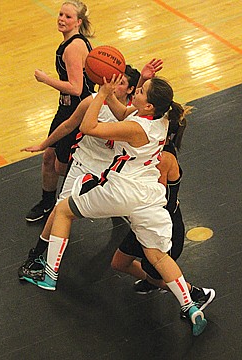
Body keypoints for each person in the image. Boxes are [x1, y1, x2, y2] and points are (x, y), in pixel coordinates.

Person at [20, 74, 208, 336]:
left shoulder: (137, 128)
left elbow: (88, 127)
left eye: (141, 91)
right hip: (148, 195)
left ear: (148, 106)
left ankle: (49, 275)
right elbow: (122, 113)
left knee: (63, 210)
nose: (137, 93)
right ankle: (191, 306)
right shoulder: (161, 118)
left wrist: (99, 96)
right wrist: (107, 92)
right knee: (157, 255)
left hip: (124, 189)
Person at [19, 64, 142, 277]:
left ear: (131, 90)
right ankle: (38, 255)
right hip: (84, 163)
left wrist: (146, 78)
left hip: (111, 170)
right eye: (114, 80)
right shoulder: (92, 101)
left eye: (121, 83)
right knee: (60, 209)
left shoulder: (133, 113)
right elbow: (69, 125)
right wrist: (43, 144)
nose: (114, 86)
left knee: (135, 207)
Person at [111, 131, 216, 316]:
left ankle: (196, 294)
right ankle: (153, 281)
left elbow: (154, 198)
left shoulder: (162, 158)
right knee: (119, 263)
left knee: (154, 270)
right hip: (145, 223)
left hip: (161, 226)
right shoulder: (156, 150)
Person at [25, 1, 95, 223]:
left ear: (78, 22)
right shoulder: (70, 43)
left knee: (61, 164)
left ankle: (100, 193)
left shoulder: (74, 47)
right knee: (49, 157)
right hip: (65, 107)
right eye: (61, 14)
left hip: (77, 109)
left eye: (68, 16)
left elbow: (76, 88)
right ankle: (47, 202)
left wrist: (46, 79)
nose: (62, 19)